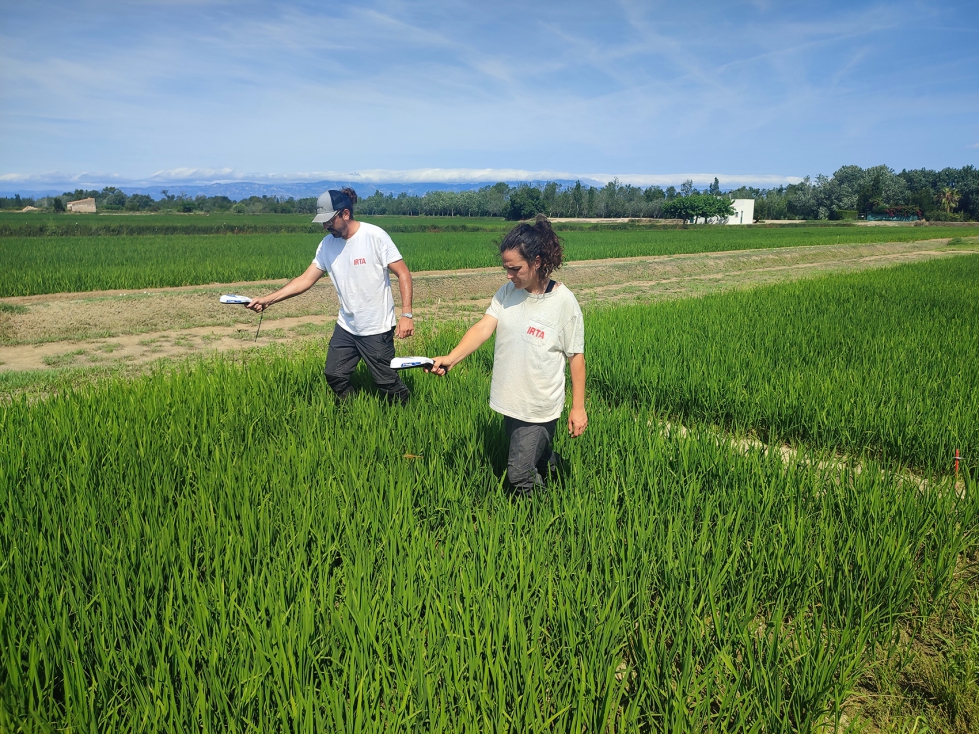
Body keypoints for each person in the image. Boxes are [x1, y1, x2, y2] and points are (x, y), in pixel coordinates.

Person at [428, 215, 587, 496]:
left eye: (515, 269)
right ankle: (561, 475)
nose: (508, 276)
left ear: (537, 262)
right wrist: (452, 357)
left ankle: (545, 520)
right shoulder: (507, 293)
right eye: (506, 269)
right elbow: (483, 327)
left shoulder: (563, 302)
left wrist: (578, 407)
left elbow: (576, 357)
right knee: (533, 456)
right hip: (509, 398)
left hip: (538, 406)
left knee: (519, 474)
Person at [247, 188, 414, 405]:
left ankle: (408, 412)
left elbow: (403, 273)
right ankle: (352, 413)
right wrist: (267, 300)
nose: (325, 227)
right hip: (346, 326)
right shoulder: (327, 244)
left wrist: (406, 314)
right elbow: (305, 279)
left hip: (376, 326)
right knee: (335, 375)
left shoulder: (375, 236)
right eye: (322, 222)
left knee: (386, 383)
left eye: (329, 221)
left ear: (345, 214)